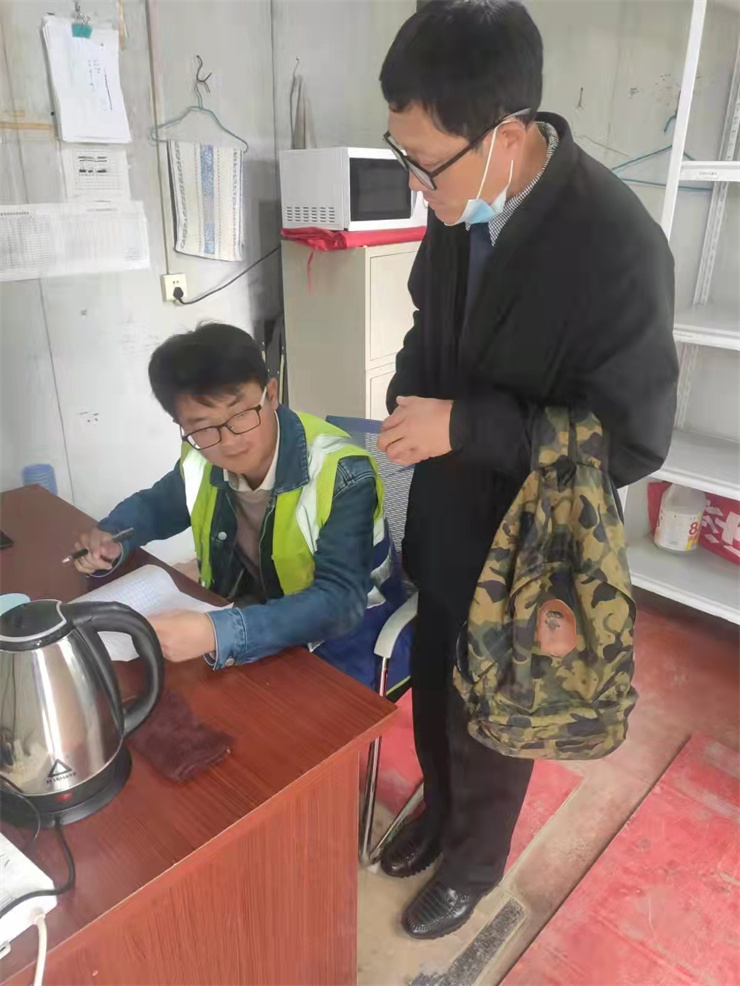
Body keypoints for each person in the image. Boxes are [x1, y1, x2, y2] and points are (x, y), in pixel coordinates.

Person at [376, 0, 678, 940]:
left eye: (426, 163)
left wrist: (464, 426)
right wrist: (406, 391)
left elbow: (632, 439)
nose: (416, 183)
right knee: (433, 678)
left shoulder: (616, 246)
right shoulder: (461, 196)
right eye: (402, 155)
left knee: (493, 716)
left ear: (506, 135)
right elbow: (430, 322)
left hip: (527, 540)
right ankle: (438, 812)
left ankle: (474, 867)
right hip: (444, 509)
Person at [74, 322, 408, 690]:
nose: (229, 441)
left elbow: (339, 602)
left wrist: (218, 633)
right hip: (250, 621)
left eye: (241, 415)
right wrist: (114, 536)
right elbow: (158, 506)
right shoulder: (201, 456)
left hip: (342, 643)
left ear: (271, 394)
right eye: (204, 427)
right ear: (180, 424)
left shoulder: (343, 472)